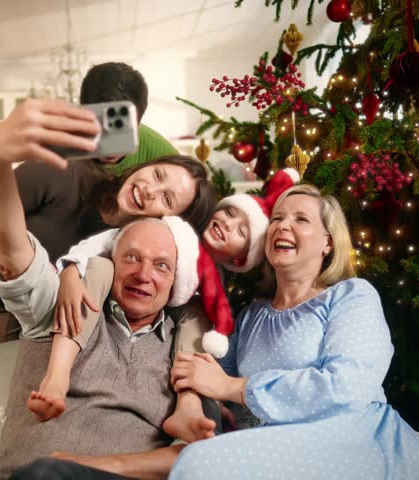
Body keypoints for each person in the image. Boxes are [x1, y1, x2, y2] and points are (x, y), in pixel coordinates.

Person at [0, 62, 214, 345]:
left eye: (166, 198)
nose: (152, 190)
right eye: (155, 176)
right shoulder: (59, 166)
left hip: (2, 301)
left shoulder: (128, 231)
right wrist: (34, 276)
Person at [0, 98, 207, 479]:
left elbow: (198, 454)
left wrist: (94, 466)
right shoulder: (66, 305)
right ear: (111, 253)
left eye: (162, 265)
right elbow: (11, 253)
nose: (143, 274)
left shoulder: (183, 353)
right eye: (132, 257)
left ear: (180, 277)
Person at [166, 184, 419, 479]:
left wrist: (234, 389)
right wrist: (198, 400)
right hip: (278, 447)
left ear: (328, 243)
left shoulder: (352, 296)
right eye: (277, 219)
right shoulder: (252, 316)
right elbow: (211, 375)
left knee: (198, 463)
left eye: (301, 219)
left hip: (358, 441)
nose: (283, 225)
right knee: (194, 459)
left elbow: (347, 387)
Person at [24, 169, 302, 444]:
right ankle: (58, 375)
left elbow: (219, 321)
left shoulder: (215, 280)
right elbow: (105, 243)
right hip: (108, 287)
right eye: (229, 212)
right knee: (100, 267)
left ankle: (188, 407)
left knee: (198, 318)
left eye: (241, 230)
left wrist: (213, 399)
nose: (228, 224)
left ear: (240, 258)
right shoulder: (168, 232)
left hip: (167, 311)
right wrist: (71, 271)